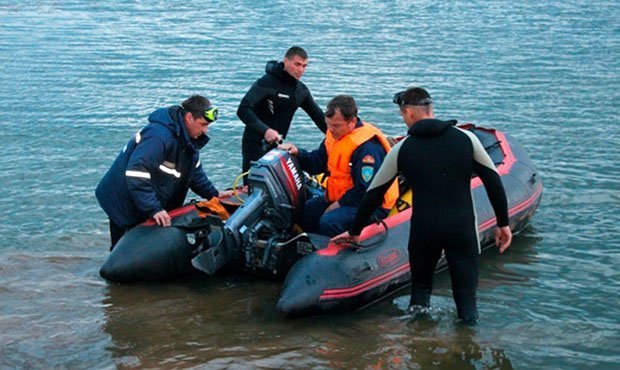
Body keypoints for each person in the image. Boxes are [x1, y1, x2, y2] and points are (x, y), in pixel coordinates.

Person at [337, 87, 512, 324]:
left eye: (402, 114)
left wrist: (355, 231)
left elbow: (373, 195)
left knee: (419, 300)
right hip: (461, 230)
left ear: (408, 112)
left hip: (424, 231)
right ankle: (467, 350)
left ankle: (419, 350)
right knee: (467, 304)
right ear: (430, 110)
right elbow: (493, 182)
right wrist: (503, 223)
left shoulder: (402, 149)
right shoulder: (466, 139)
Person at [96, 95, 232, 249]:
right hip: (121, 198)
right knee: (123, 246)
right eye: (203, 124)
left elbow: (194, 173)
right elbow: (136, 173)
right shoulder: (158, 136)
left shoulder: (188, 141)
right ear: (189, 118)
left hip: (144, 197)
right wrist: (154, 209)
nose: (205, 130)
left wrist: (213, 194)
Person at [278, 95, 399, 237]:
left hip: (372, 204)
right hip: (342, 195)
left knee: (330, 222)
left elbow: (366, 190)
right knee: (305, 213)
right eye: (328, 124)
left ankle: (344, 253)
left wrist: (337, 205)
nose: (331, 129)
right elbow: (317, 162)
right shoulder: (334, 136)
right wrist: (298, 154)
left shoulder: (367, 149)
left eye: (336, 126)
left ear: (352, 122)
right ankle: (311, 248)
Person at [237, 46, 326, 177]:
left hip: (277, 147)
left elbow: (318, 117)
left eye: (304, 66)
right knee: (253, 186)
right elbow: (243, 109)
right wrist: (266, 131)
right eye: (297, 64)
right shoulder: (267, 82)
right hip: (255, 145)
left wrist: (340, 134)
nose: (301, 70)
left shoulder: (300, 91)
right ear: (286, 61)